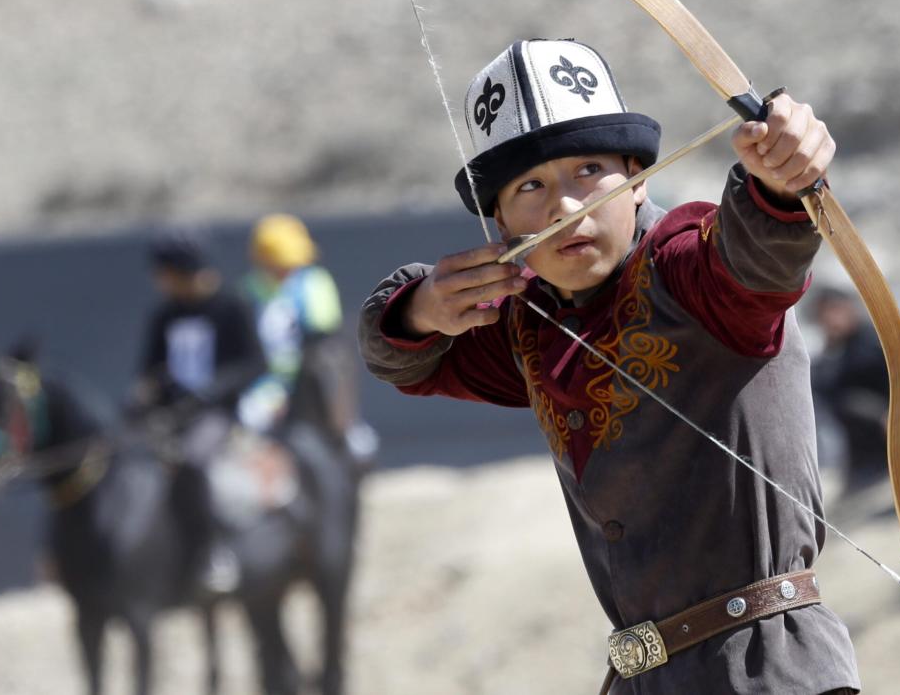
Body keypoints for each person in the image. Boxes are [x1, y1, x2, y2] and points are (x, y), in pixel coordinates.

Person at [359, 39, 859, 694]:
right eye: (530, 187)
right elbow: (402, 358)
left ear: (638, 176)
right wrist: (423, 308)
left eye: (588, 169)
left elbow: (758, 255)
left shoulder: (688, 266)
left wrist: (783, 179)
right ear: (503, 225)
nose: (564, 206)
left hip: (770, 670)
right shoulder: (526, 322)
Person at [136, 227, 265, 593]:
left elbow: (255, 363)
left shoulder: (230, 307)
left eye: (165, 273)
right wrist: (145, 395)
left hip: (216, 415)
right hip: (170, 414)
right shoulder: (164, 316)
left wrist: (212, 391)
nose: (159, 282)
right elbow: (149, 368)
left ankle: (214, 550)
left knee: (193, 460)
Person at [244, 213, 378, 466]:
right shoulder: (249, 292)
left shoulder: (313, 283)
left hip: (311, 378)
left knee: (331, 365)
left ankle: (348, 430)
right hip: (265, 383)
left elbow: (324, 339)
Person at [809, 286, 891, 495]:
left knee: (849, 403)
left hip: (890, 412)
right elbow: (824, 385)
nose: (827, 321)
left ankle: (877, 463)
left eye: (832, 312)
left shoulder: (869, 337)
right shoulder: (842, 344)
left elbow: (864, 372)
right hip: (864, 411)